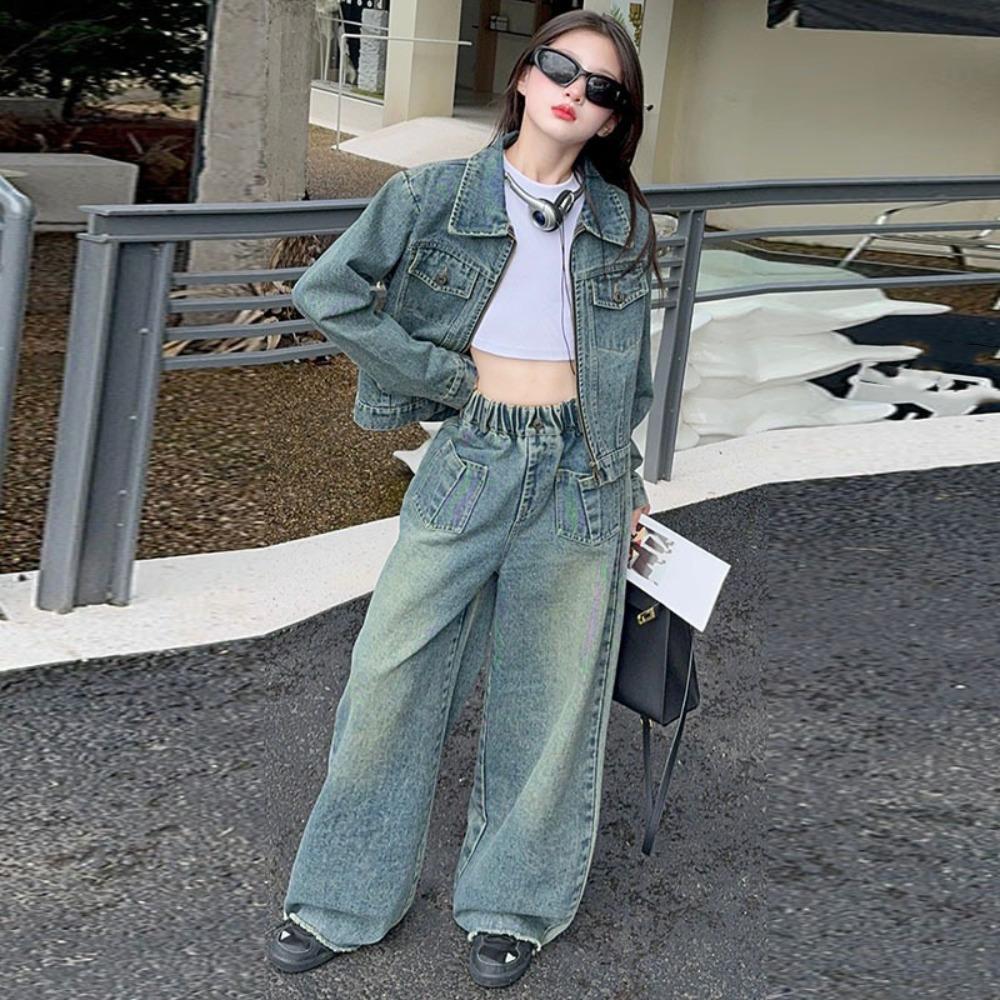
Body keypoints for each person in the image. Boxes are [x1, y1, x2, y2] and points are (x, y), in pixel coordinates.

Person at [267, 10, 666, 988]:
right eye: (561, 67)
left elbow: (627, 374)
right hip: (476, 455)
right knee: (390, 676)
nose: (575, 91)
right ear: (525, 77)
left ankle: (513, 906)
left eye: (602, 87)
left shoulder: (621, 224)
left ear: (614, 120)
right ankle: (340, 900)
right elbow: (330, 291)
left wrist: (629, 487)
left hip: (582, 473)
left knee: (550, 694)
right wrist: (447, 380)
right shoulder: (432, 194)